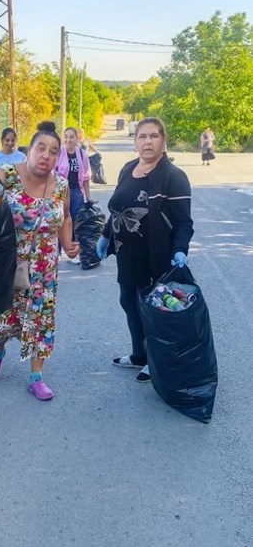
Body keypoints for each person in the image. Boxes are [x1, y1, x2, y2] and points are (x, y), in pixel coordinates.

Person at [0, 121, 79, 400]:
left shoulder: (61, 185)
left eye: (53, 151)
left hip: (44, 269)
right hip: (7, 264)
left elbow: (65, 217)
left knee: (40, 317)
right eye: (41, 148)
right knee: (4, 314)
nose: (46, 156)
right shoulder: (7, 175)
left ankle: (36, 376)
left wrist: (67, 244)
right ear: (29, 150)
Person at [97, 117, 193, 382]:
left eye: (154, 136)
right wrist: (105, 236)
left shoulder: (174, 177)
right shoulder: (128, 169)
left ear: (163, 141)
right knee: (129, 303)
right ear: (135, 142)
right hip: (127, 256)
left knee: (154, 311)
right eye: (142, 136)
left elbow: (183, 222)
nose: (147, 141)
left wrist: (180, 249)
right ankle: (139, 355)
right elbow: (118, 209)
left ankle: (156, 360)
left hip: (157, 258)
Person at [55, 126, 91, 264]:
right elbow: (53, 172)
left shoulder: (81, 154)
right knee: (60, 220)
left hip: (76, 192)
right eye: (66, 137)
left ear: (77, 138)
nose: (68, 140)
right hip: (61, 192)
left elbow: (86, 176)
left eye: (71, 137)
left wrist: (88, 196)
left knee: (76, 222)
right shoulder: (59, 153)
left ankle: (72, 252)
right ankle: (57, 252)